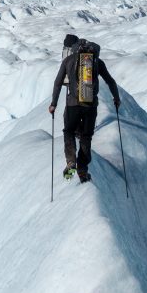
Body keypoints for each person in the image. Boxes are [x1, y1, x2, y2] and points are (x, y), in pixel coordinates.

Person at [49, 35, 120, 183]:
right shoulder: (96, 62)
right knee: (86, 137)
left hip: (73, 105)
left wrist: (54, 103)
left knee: (69, 131)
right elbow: (110, 81)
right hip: (91, 106)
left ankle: (71, 161)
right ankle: (82, 170)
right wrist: (116, 98)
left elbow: (57, 83)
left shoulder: (68, 61)